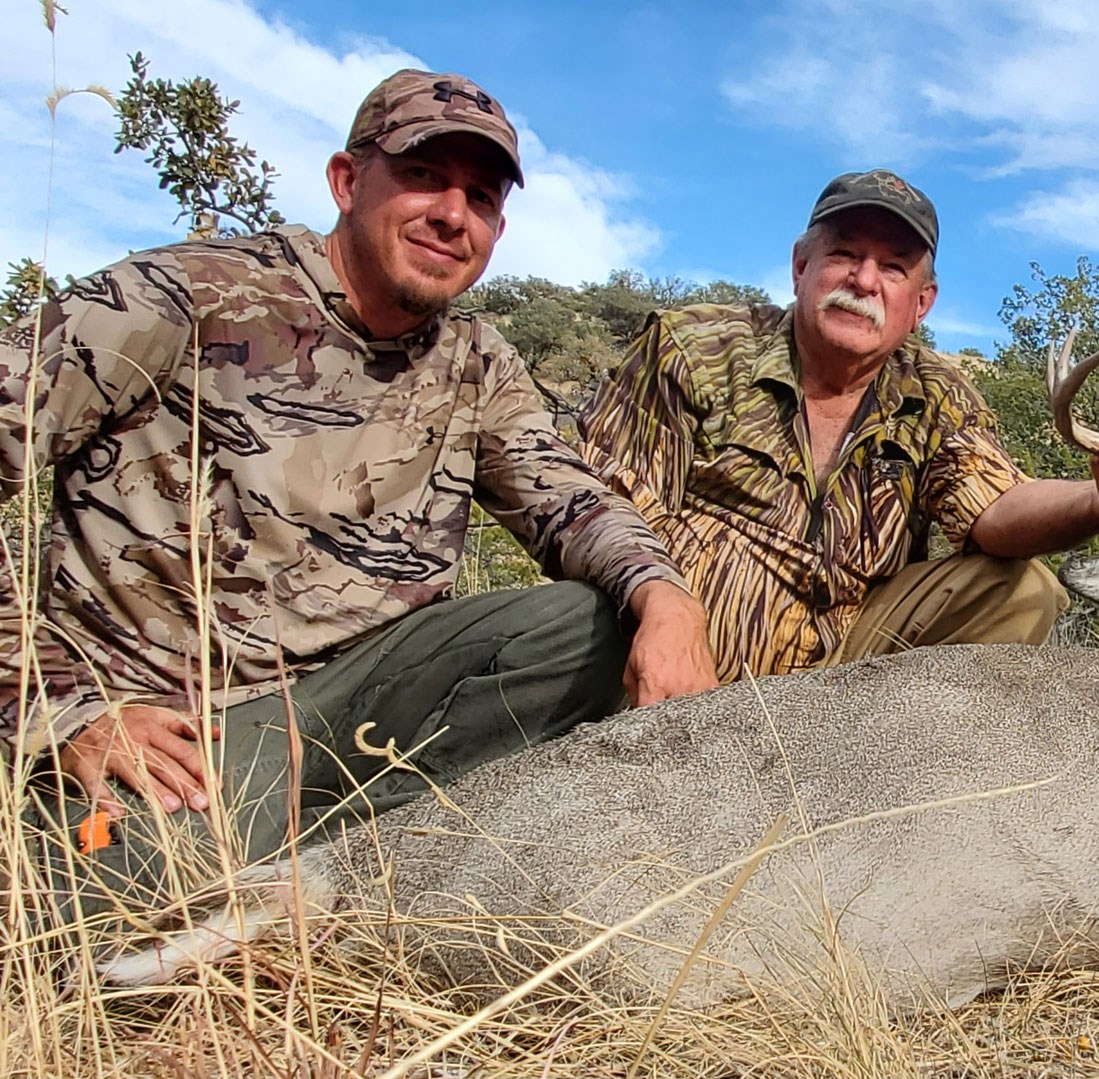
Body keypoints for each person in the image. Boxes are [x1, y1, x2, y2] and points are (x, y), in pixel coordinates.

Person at [0, 69, 717, 917]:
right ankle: (330, 871)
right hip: (189, 727)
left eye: (481, 197)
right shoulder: (176, 296)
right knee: (100, 907)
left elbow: (569, 499)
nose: (453, 214)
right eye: (422, 176)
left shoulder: (477, 362)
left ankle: (357, 867)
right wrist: (58, 709)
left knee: (584, 623)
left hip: (368, 708)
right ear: (347, 180)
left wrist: (670, 602)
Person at [576, 170, 1099, 683]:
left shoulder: (936, 394)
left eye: (894, 268)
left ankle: (885, 787)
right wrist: (664, 609)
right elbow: (597, 505)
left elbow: (996, 507)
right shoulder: (694, 348)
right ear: (800, 265)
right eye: (844, 254)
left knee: (1024, 591)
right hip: (670, 652)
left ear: (922, 304)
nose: (864, 281)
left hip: (841, 679)